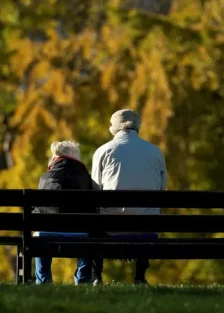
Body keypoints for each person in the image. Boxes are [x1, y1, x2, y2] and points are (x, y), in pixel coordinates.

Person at [92, 109, 167, 284]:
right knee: (150, 212)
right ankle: (140, 277)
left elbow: (95, 190)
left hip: (111, 225)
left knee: (94, 217)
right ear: (137, 126)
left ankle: (96, 277)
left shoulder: (103, 151)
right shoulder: (155, 152)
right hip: (147, 226)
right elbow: (161, 189)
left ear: (114, 127)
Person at [34, 140, 103, 285]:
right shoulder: (86, 178)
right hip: (80, 234)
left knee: (41, 232)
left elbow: (39, 210)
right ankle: (82, 278)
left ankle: (43, 279)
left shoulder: (45, 178)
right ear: (76, 158)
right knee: (89, 231)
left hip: (49, 233)